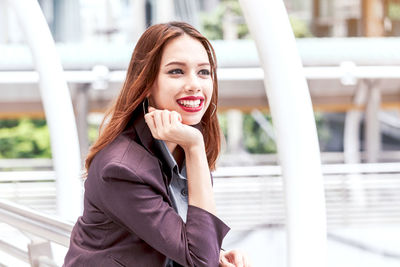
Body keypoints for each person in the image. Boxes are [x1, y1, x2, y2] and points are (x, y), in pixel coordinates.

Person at [64, 21, 250, 267]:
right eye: (176, 71)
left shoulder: (181, 147)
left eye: (203, 72)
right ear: (147, 84)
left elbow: (185, 241)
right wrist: (194, 146)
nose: (194, 84)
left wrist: (217, 253)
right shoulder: (121, 168)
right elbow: (199, 261)